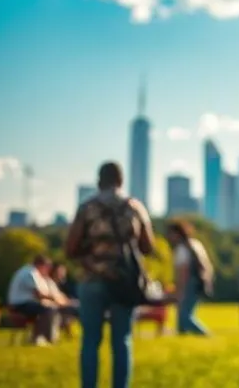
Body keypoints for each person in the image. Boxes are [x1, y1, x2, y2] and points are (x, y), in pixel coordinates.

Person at [65, 161, 155, 388]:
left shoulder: (87, 207)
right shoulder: (135, 207)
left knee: (90, 340)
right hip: (124, 280)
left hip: (92, 278)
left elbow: (70, 249)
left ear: (99, 181)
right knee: (122, 340)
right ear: (121, 180)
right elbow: (147, 247)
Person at [167, 220, 213, 336]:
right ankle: (182, 339)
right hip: (200, 283)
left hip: (189, 284)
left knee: (185, 317)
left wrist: (179, 290)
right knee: (183, 319)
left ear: (177, 234)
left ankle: (206, 335)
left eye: (170, 233)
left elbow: (183, 272)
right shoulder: (195, 244)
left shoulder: (182, 249)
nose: (168, 236)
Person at [6, 254, 60, 344]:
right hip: (20, 305)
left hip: (20, 304)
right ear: (41, 265)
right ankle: (46, 338)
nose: (48, 270)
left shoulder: (28, 271)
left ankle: (39, 337)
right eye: (47, 266)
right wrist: (54, 298)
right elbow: (38, 294)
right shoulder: (30, 273)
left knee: (47, 308)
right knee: (49, 309)